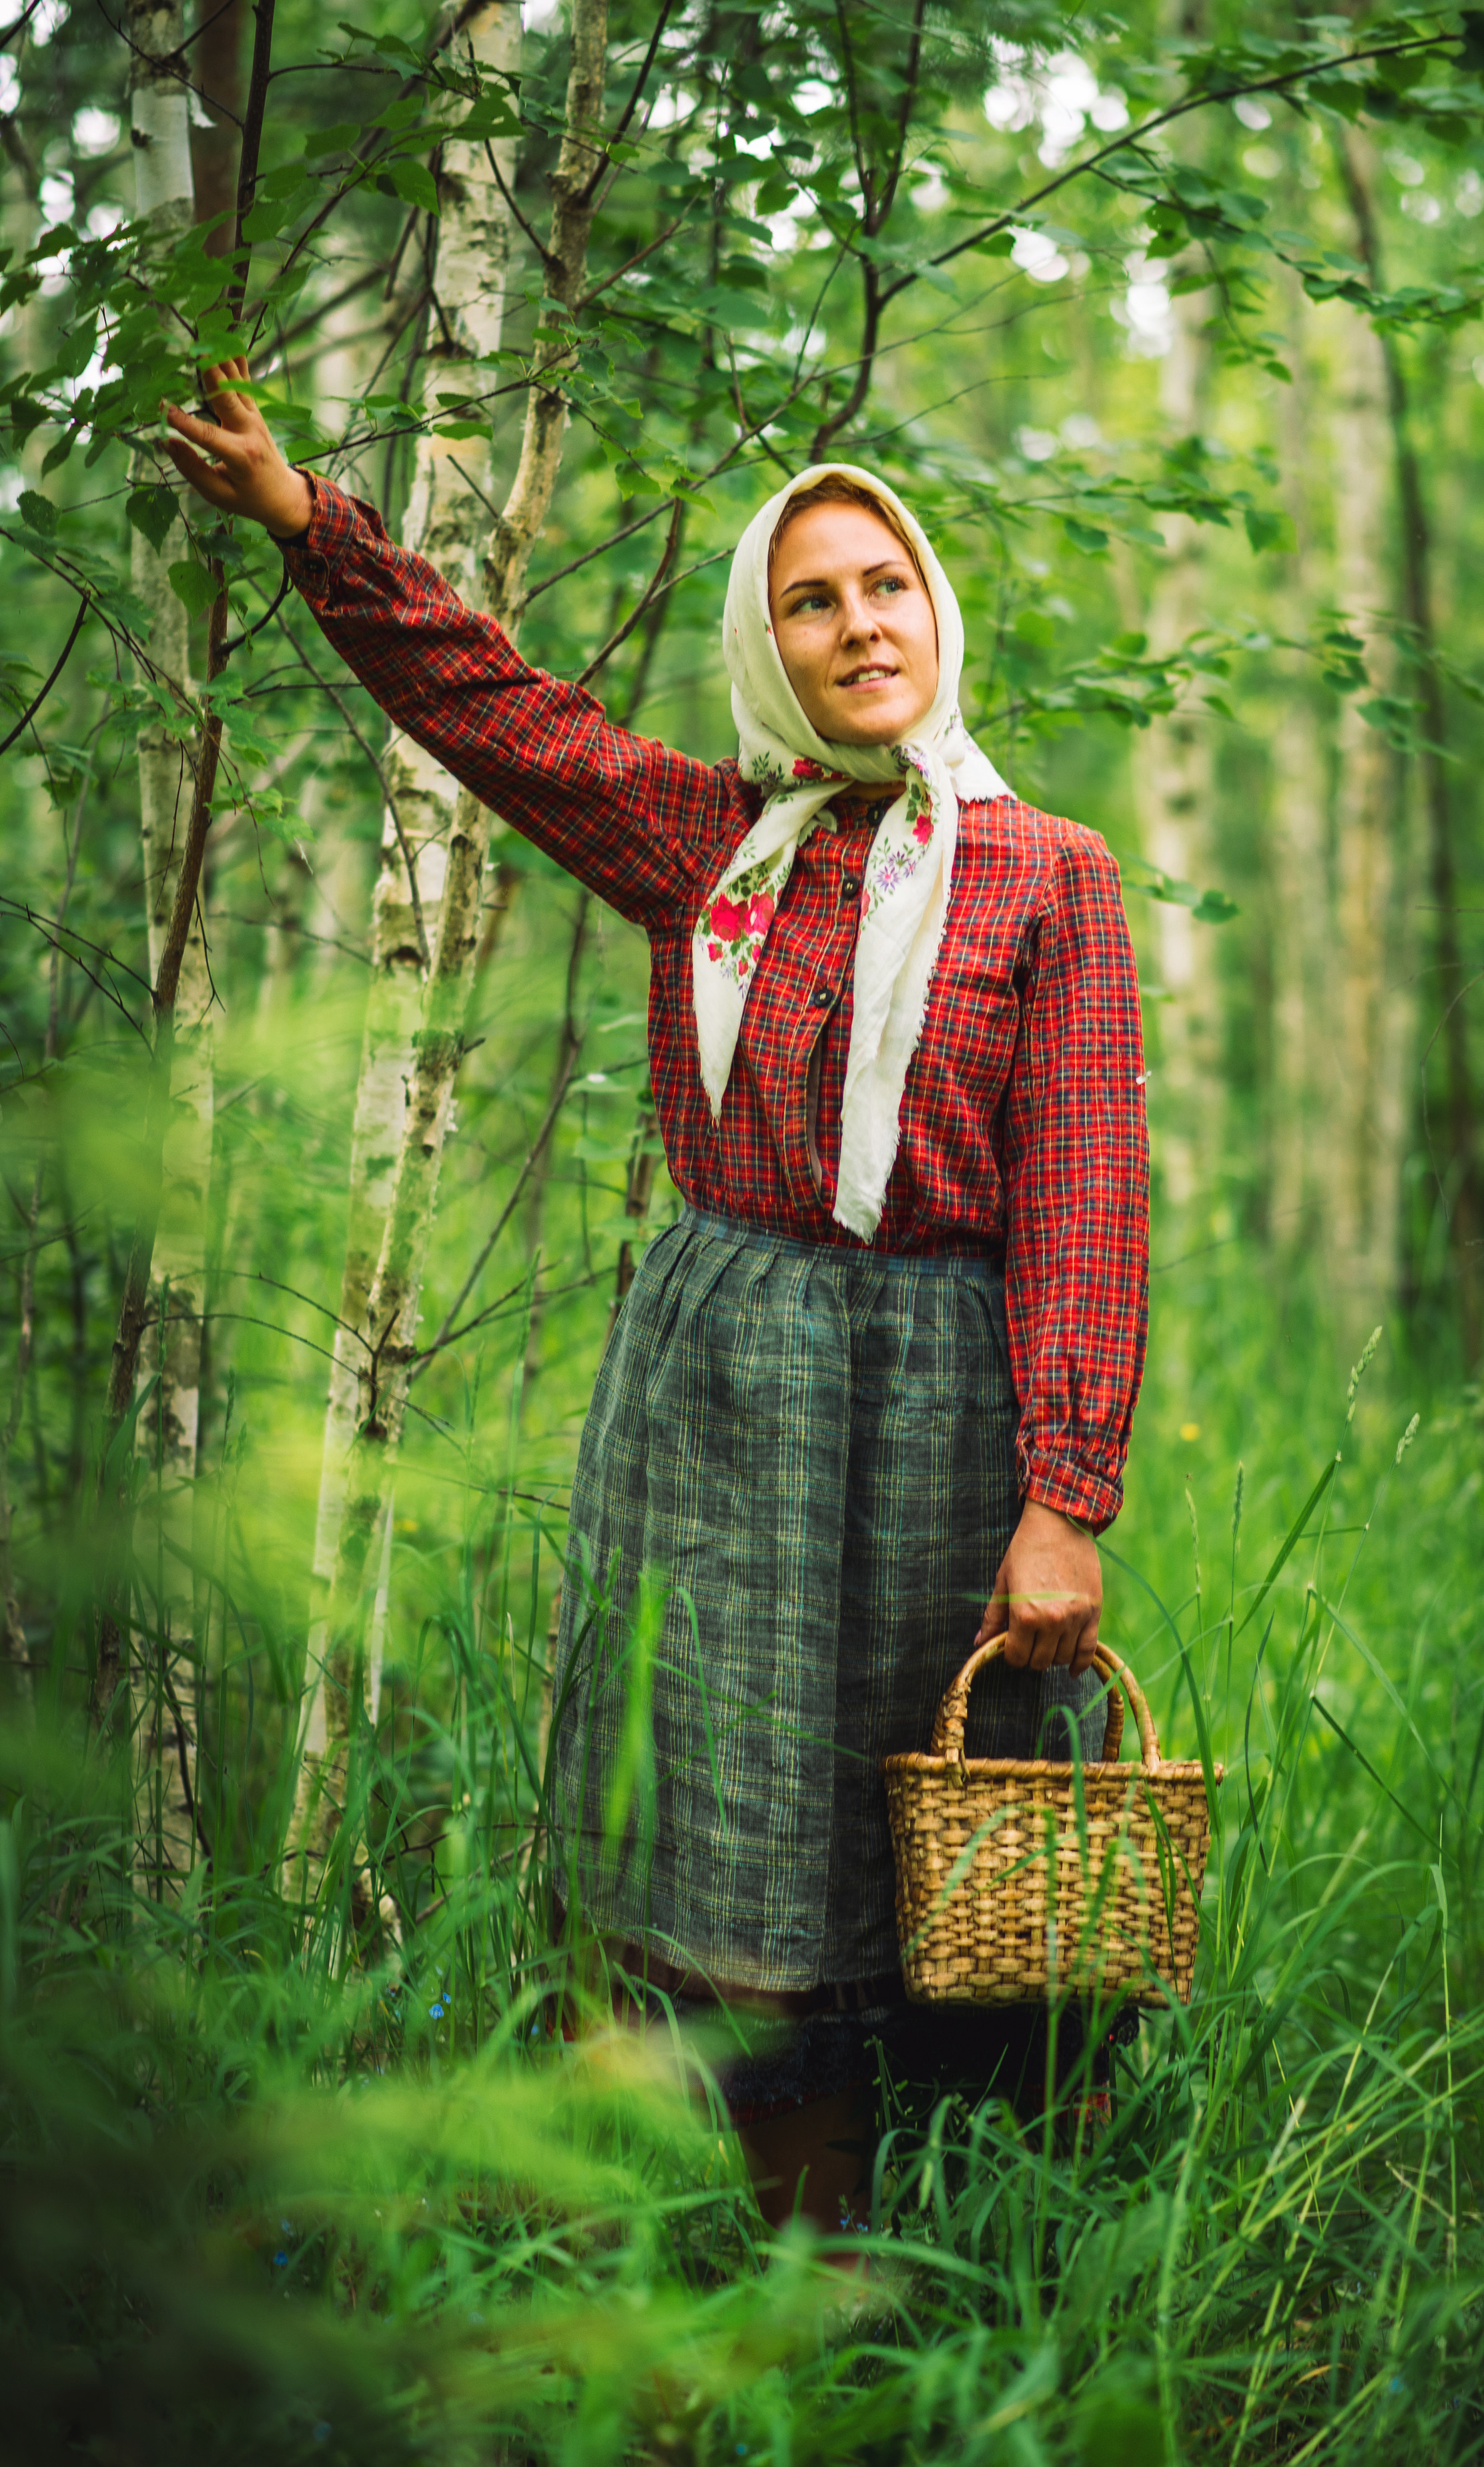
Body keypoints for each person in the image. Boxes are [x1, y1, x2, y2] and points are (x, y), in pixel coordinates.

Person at [166, 360, 1150, 2238]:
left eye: (886, 585)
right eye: (813, 597)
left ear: (935, 608)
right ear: (768, 645)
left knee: (962, 1830)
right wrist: (314, 527)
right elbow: (502, 716)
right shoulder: (719, 844)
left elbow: (1090, 1191)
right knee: (745, 1847)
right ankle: (802, 2254)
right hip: (721, 1402)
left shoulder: (1050, 877)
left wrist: (1065, 1495)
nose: (861, 623)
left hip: (945, 1405)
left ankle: (987, 2255)